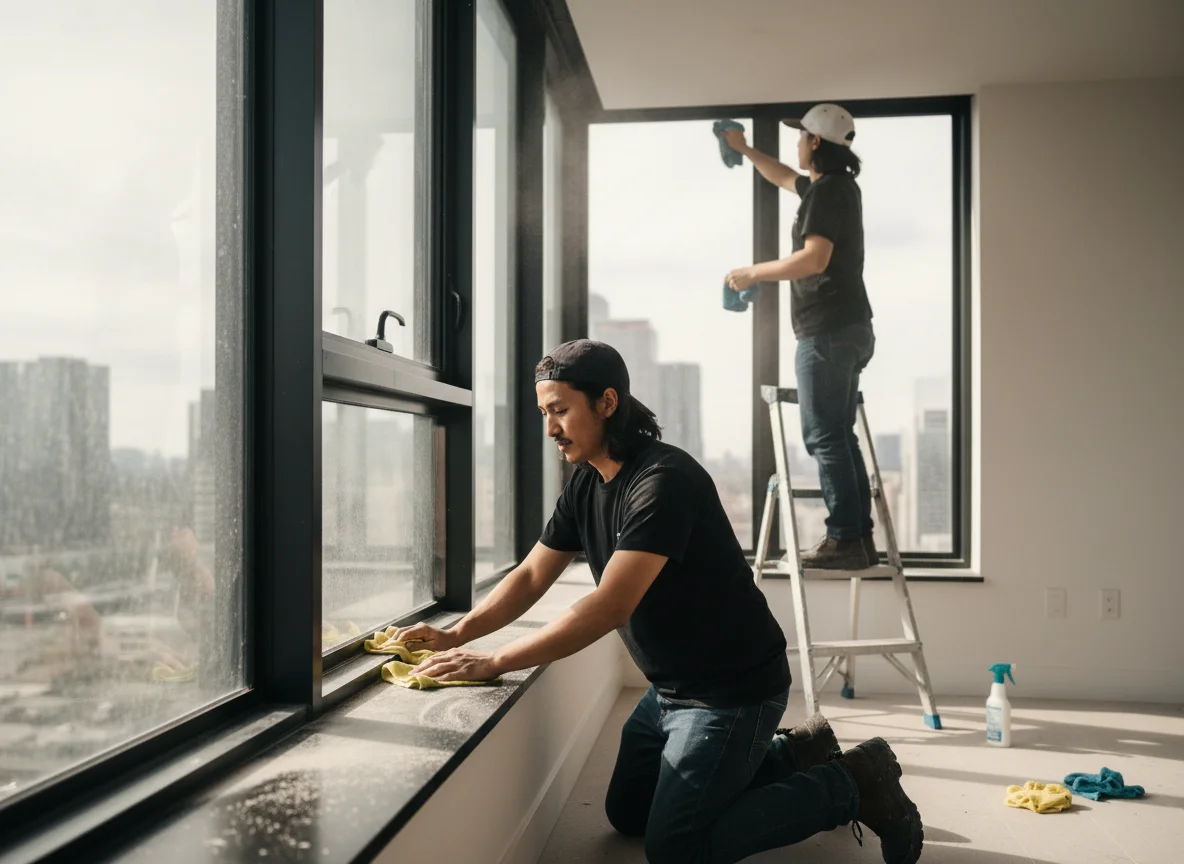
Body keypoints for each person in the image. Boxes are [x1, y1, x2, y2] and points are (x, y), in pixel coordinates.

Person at [395, 340, 923, 864]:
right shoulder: (586, 483)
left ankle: (855, 781)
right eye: (544, 413)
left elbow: (609, 607)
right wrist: (457, 633)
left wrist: (494, 662)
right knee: (630, 813)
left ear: (606, 402)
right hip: (669, 691)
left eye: (560, 411)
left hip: (730, 691)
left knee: (675, 849)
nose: (550, 428)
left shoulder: (662, 480)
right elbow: (534, 572)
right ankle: (797, 753)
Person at [724, 103, 876, 570]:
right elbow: (785, 176)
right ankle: (858, 537)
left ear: (815, 142)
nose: (795, 143)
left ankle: (845, 538)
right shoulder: (831, 190)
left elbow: (814, 260)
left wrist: (753, 273)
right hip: (849, 329)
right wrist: (745, 148)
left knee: (823, 436)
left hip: (827, 331)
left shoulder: (830, 193)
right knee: (838, 434)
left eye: (800, 136)